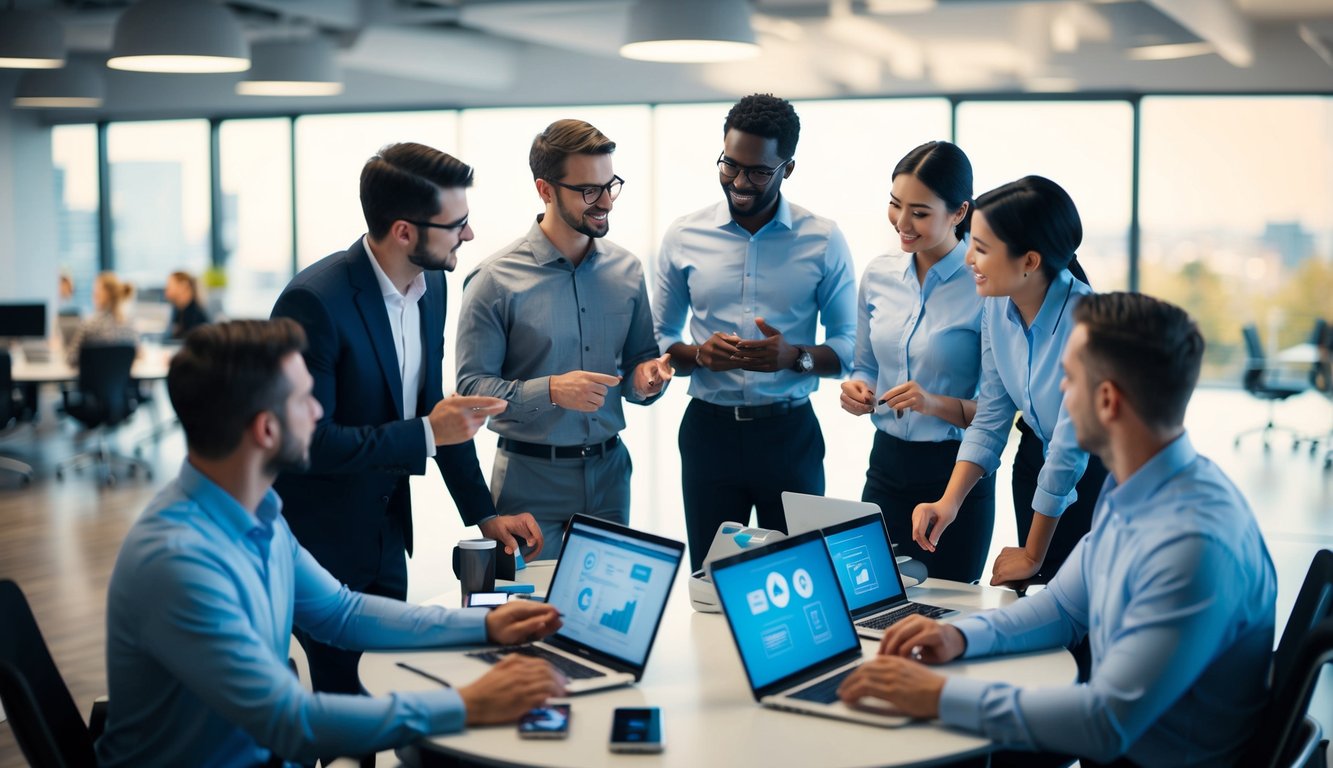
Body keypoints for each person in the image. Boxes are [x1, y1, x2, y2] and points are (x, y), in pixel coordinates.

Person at [96, 319, 565, 768]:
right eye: (305, 400)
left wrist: (484, 626)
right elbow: (291, 723)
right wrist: (467, 704)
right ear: (265, 429)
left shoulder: (256, 515)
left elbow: (342, 613)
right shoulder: (179, 563)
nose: (320, 411)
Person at [838, 292, 1277, 768]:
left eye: (1067, 378)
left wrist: (937, 696)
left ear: (1107, 400)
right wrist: (959, 636)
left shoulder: (1192, 544)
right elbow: (1064, 608)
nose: (1055, 393)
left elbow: (1103, 724)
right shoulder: (1141, 487)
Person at [270, 143, 541, 700]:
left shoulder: (432, 285)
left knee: (384, 686)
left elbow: (436, 412)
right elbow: (308, 445)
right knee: (346, 705)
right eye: (456, 224)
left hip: (387, 536)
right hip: (321, 545)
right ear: (403, 231)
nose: (468, 235)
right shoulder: (314, 303)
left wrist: (485, 517)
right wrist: (426, 434)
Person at [654, 93, 856, 571]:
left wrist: (795, 358)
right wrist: (699, 356)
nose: (740, 182)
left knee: (799, 576)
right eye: (730, 165)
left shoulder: (823, 239)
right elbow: (660, 339)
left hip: (789, 435)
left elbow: (849, 346)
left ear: (788, 168)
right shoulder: (684, 235)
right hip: (709, 433)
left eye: (758, 171)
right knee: (712, 580)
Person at [456, 119, 672, 559]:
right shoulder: (494, 280)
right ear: (545, 189)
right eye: (589, 190)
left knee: (604, 621)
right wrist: (553, 390)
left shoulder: (628, 271)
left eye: (610, 185)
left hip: (611, 475)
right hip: (528, 483)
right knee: (530, 620)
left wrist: (647, 380)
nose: (606, 201)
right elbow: (472, 390)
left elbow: (638, 367)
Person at [912, 176, 1108, 587]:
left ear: (1030, 262)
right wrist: (949, 503)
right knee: (1038, 600)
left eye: (981, 249)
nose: (968, 259)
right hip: (1035, 462)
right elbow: (992, 416)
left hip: (1096, 477)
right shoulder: (996, 308)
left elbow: (1069, 451)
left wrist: (1034, 553)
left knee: (1082, 610)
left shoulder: (1089, 323)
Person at [839, 141, 994, 583]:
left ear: (959, 213)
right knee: (873, 603)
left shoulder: (985, 285)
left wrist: (933, 403)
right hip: (885, 468)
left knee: (949, 614)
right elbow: (864, 363)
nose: (901, 224)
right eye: (894, 205)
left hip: (956, 473)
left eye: (920, 213)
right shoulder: (879, 273)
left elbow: (999, 409)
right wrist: (859, 387)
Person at [65, 271, 137, 366]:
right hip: (120, 381)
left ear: (102, 294)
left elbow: (71, 358)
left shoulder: (89, 324)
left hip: (92, 380)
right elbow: (137, 354)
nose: (93, 294)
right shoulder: (129, 325)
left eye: (95, 290)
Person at [164, 270, 210, 340]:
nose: (166, 289)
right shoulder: (178, 310)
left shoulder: (196, 316)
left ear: (183, 286)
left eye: (169, 286)